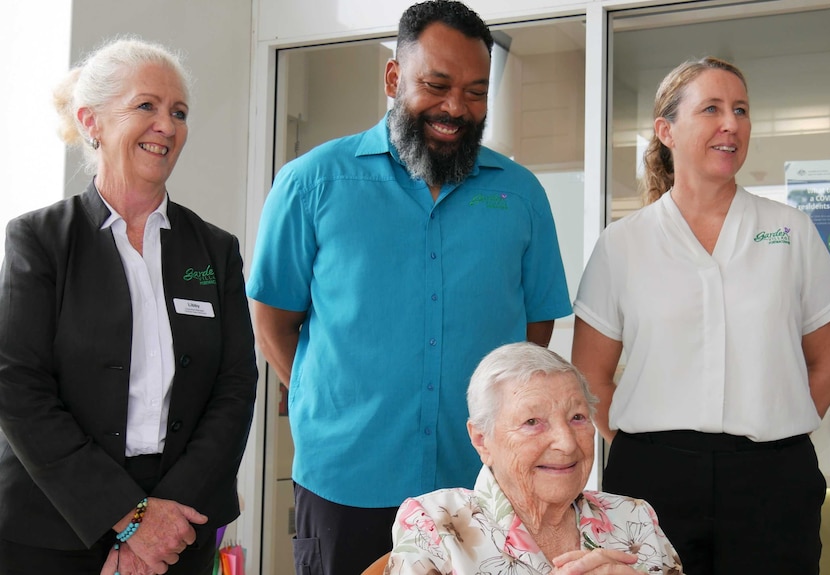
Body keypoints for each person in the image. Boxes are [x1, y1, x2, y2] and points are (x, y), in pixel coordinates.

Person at [246, 1, 571, 573]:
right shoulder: (310, 183)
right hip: (346, 482)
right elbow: (271, 319)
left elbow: (532, 333)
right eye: (437, 84)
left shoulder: (521, 194)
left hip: (478, 488)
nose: (456, 107)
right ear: (393, 78)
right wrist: (332, 405)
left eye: (475, 91)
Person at [571, 56, 830, 575]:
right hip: (652, 481)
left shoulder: (790, 231)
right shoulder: (622, 244)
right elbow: (589, 377)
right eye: (712, 109)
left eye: (741, 110)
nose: (732, 124)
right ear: (666, 131)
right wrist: (649, 449)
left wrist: (777, 422)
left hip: (774, 476)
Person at [0, 37, 258, 575]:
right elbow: (18, 387)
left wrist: (163, 523)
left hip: (181, 524)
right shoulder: (39, 240)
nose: (167, 125)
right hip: (54, 523)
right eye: (147, 106)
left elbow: (235, 386)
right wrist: (127, 516)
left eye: (179, 112)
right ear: (91, 121)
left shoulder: (215, 249)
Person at [387, 342, 683, 574]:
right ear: (481, 439)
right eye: (532, 422)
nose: (567, 444)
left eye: (577, 417)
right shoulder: (434, 525)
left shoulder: (634, 518)